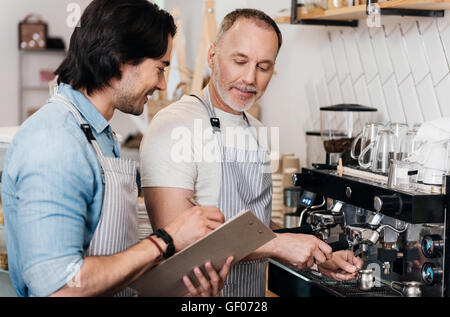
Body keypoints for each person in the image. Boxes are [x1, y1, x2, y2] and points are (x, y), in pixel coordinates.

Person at [1, 0, 233, 297]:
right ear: (119, 57)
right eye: (160, 68)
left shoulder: (99, 135)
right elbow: (60, 287)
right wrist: (167, 239)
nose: (163, 85)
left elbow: (112, 268)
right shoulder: (55, 142)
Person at [140, 8, 363, 297]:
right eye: (240, 61)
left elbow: (255, 222)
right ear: (212, 56)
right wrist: (279, 247)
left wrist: (318, 252)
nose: (250, 78)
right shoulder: (173, 125)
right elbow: (177, 243)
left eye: (263, 66)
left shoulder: (256, 131)